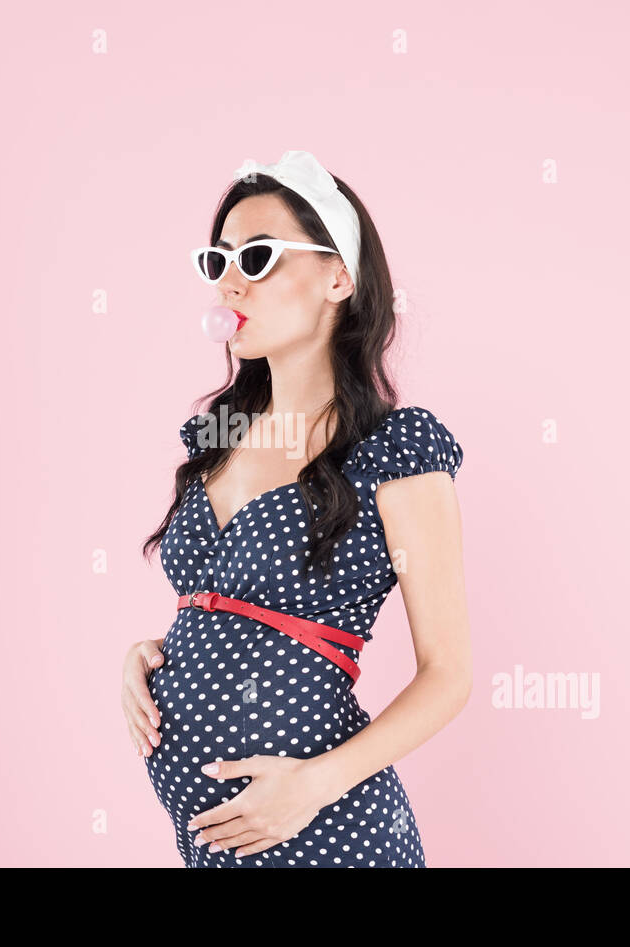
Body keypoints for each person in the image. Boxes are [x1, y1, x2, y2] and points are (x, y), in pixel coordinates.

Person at [125, 150, 473, 867]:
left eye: (256, 256)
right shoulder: (216, 439)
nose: (229, 282)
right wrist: (153, 655)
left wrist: (312, 785)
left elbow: (449, 674)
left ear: (337, 276)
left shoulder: (393, 451)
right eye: (215, 261)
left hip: (330, 835)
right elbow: (224, 605)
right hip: (217, 846)